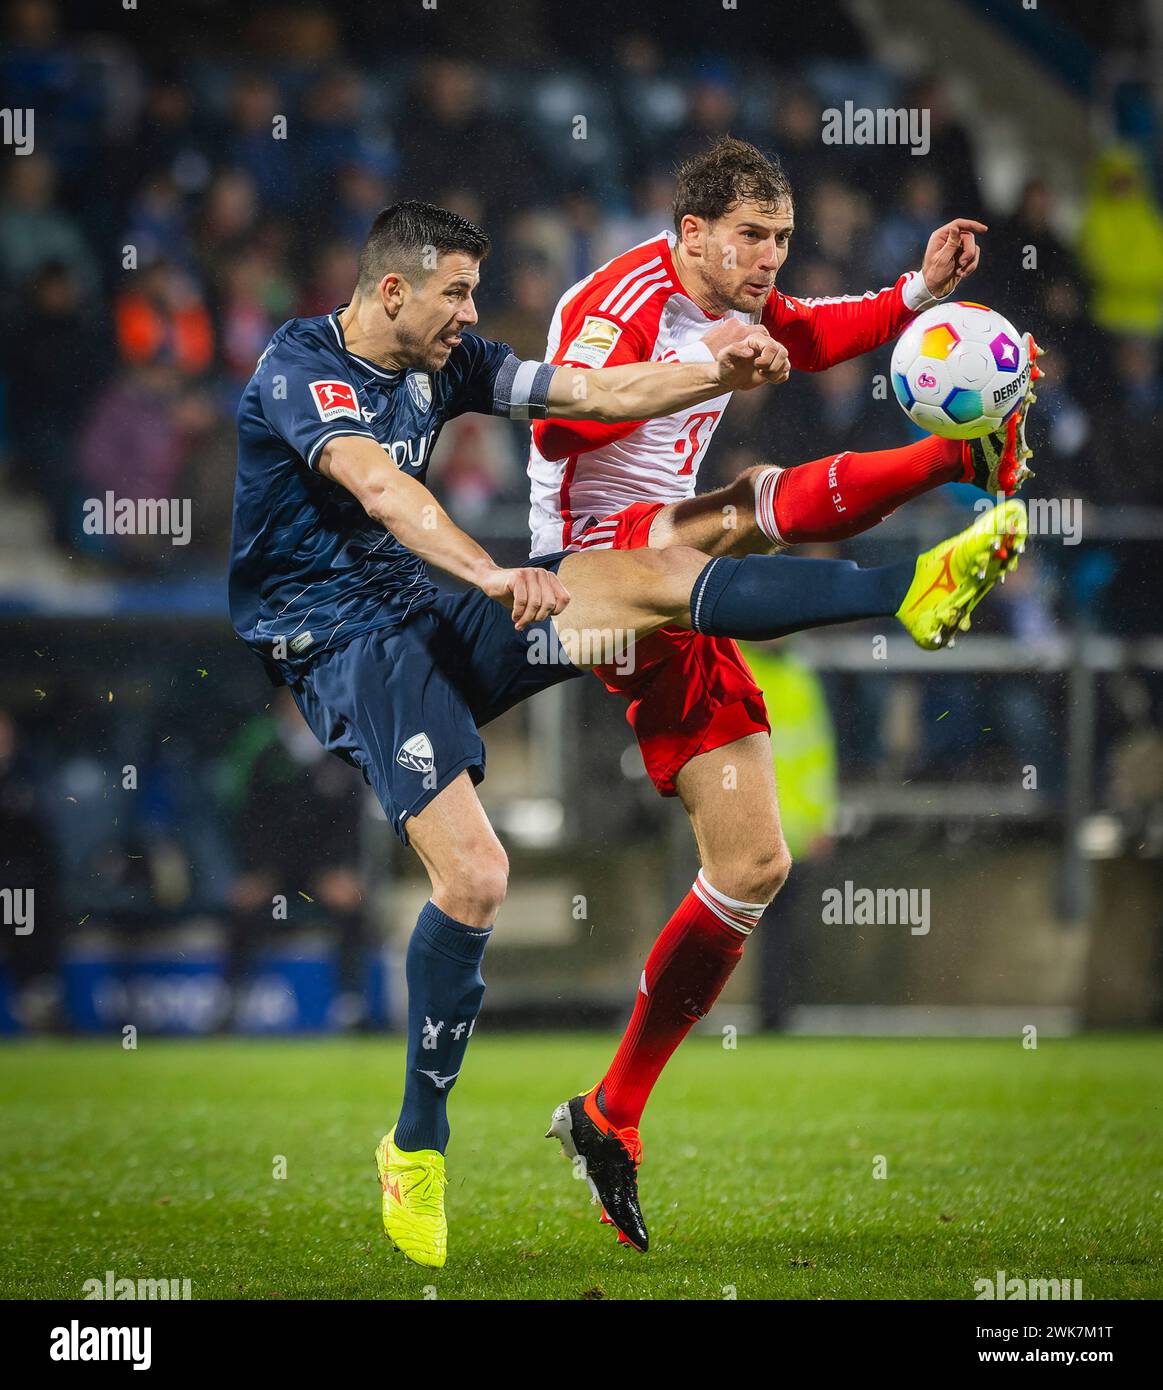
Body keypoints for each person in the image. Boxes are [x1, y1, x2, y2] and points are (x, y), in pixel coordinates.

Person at [228, 198, 1028, 1269]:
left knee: (657, 579)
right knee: (473, 879)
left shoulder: (452, 363)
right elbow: (382, 489)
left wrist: (712, 373)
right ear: (391, 291)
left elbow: (591, 389)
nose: (473, 312)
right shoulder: (299, 367)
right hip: (344, 641)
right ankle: (416, 1141)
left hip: (436, 606)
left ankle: (906, 589)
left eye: (474, 291)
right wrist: (489, 571)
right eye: (457, 294)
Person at [529, 137, 1039, 1252]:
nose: (767, 260)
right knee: (747, 501)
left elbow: (808, 331)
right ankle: (924, 543)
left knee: (750, 867)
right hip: (590, 573)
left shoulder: (747, 295)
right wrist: (704, 365)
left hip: (678, 580)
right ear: (695, 231)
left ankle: (608, 1113)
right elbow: (559, 425)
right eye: (751, 239)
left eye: (780, 240)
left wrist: (916, 294)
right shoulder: (620, 298)